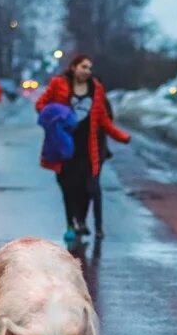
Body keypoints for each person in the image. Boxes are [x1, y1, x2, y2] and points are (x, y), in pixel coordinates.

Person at [36, 55, 131, 241]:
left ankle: (81, 221)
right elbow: (41, 105)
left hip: (87, 147)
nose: (87, 71)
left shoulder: (96, 88)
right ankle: (70, 223)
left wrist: (120, 136)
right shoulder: (58, 84)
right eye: (83, 67)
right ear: (73, 68)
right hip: (64, 146)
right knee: (68, 187)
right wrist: (58, 115)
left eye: (89, 68)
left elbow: (103, 118)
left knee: (88, 187)